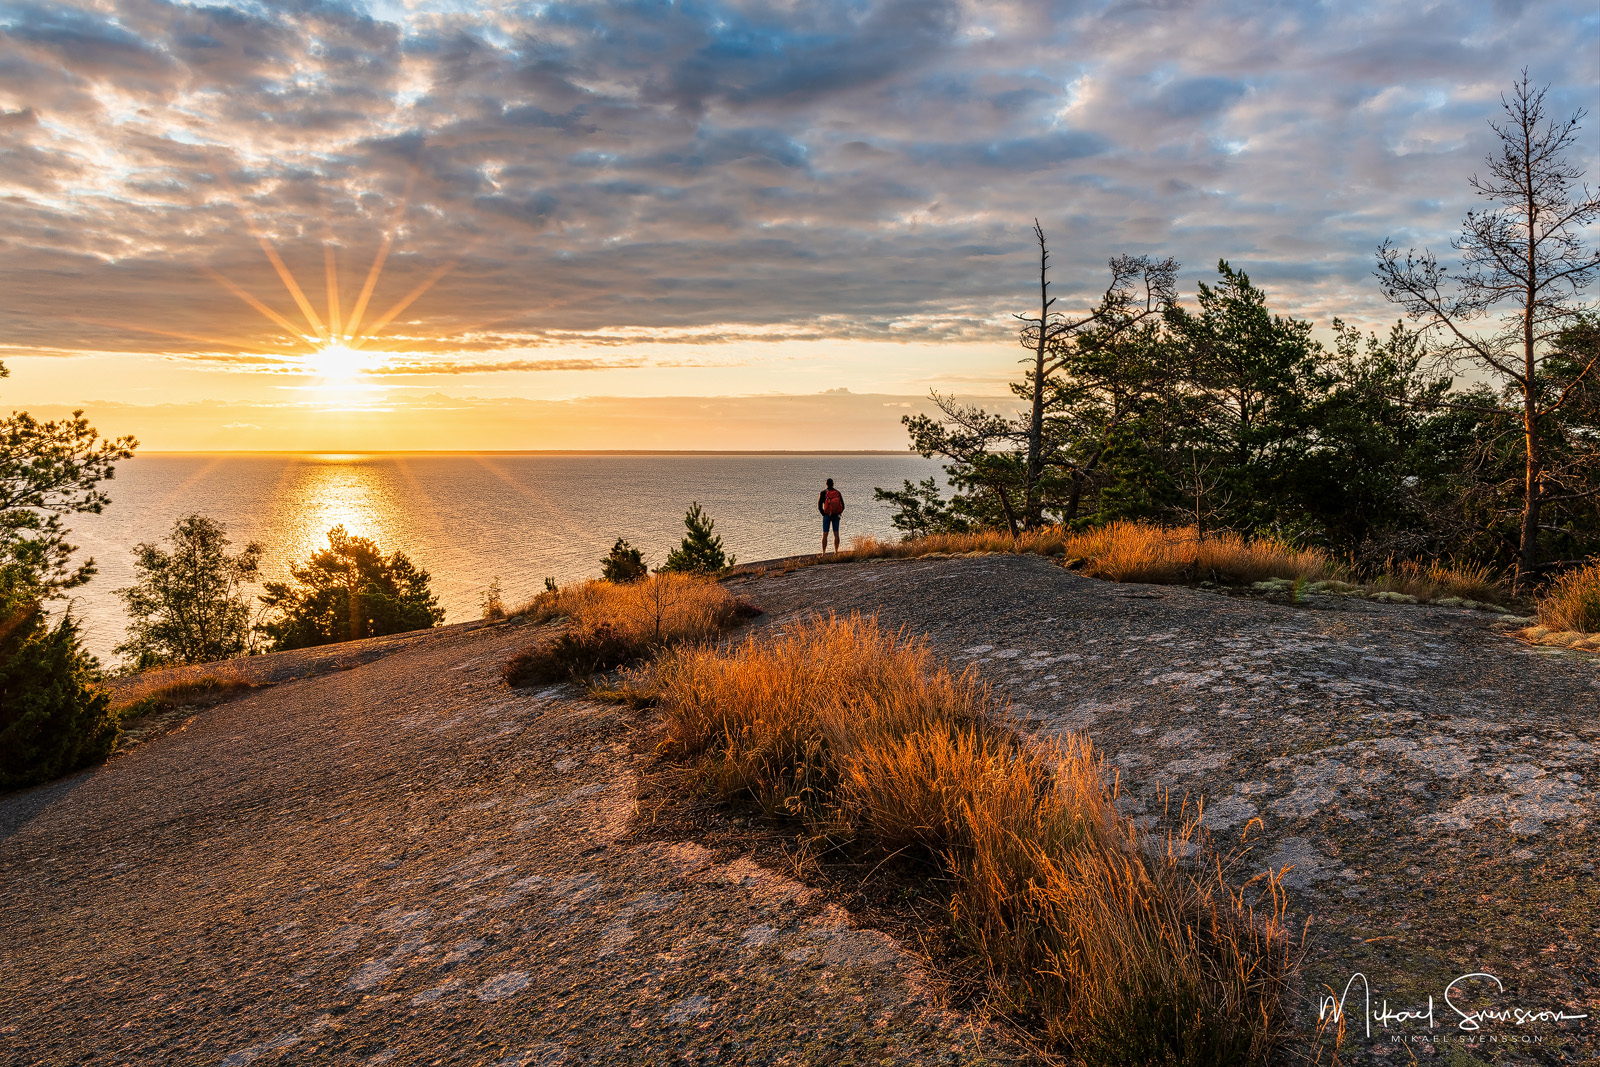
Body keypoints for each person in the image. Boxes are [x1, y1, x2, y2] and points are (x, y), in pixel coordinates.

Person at [818, 477, 844, 554]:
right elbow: (843, 506)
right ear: (833, 484)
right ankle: (836, 552)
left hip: (827, 515)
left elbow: (819, 506)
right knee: (836, 534)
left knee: (825, 534)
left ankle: (823, 553)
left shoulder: (823, 493)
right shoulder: (838, 493)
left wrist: (824, 514)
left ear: (826, 484)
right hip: (836, 515)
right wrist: (838, 512)